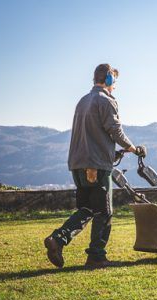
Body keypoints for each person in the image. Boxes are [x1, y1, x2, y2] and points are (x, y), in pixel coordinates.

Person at [44, 63, 146, 268]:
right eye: (114, 81)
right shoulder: (106, 101)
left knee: (88, 208)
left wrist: (114, 152)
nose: (115, 86)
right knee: (104, 211)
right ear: (108, 80)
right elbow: (115, 131)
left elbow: (94, 135)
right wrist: (133, 148)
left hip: (78, 164)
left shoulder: (83, 101)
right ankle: (96, 256)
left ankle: (58, 239)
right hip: (95, 166)